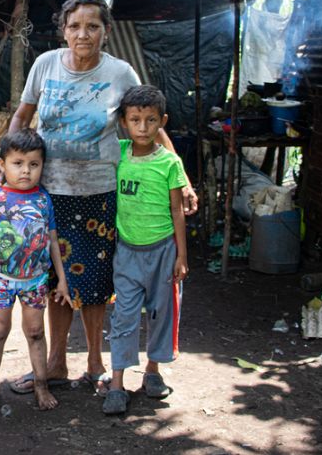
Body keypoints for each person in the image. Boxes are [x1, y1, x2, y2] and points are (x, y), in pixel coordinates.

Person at [0, 0, 198, 395]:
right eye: (75, 26)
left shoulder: (120, 73)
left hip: (100, 191)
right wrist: (3, 160)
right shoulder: (46, 65)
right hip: (50, 191)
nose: (84, 34)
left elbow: (146, 119)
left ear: (106, 32)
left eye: (93, 26)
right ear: (63, 30)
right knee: (53, 279)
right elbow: (22, 117)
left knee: (96, 282)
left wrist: (180, 173)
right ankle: (57, 363)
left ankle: (96, 363)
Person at [0, 128, 73, 411]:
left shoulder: (44, 200)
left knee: (35, 332)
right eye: (18, 163)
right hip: (1, 281)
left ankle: (41, 387)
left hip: (35, 281)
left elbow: (53, 241)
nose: (26, 171)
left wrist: (63, 281)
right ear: (2, 163)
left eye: (34, 164)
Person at [102, 85, 188, 415]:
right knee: (124, 316)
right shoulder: (118, 154)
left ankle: (153, 372)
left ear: (161, 122)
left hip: (164, 251)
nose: (142, 127)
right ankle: (117, 383)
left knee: (161, 313)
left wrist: (182, 255)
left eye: (150, 120)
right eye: (135, 120)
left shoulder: (169, 163)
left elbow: (177, 211)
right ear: (124, 122)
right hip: (126, 253)